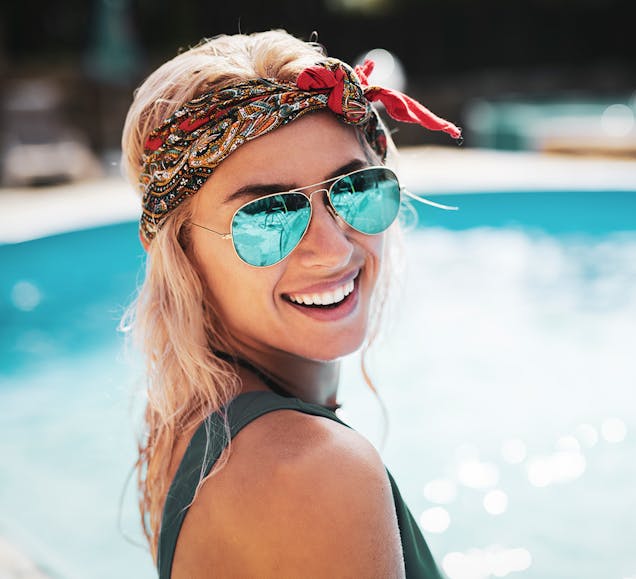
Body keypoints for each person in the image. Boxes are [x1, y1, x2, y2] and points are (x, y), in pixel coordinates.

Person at [121, 30, 460, 578]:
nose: (332, 249)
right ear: (182, 251)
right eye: (269, 216)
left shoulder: (193, 425)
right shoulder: (317, 472)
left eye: (354, 188)